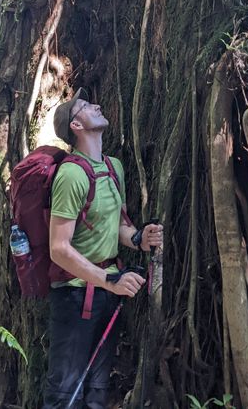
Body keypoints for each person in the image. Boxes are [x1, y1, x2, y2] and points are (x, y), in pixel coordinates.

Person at [43, 88, 163, 409]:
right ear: (76, 126)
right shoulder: (70, 174)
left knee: (96, 390)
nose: (95, 105)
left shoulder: (114, 167)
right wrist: (108, 279)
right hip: (74, 296)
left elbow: (117, 225)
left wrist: (139, 238)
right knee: (65, 393)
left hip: (107, 292)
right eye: (85, 106)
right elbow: (58, 248)